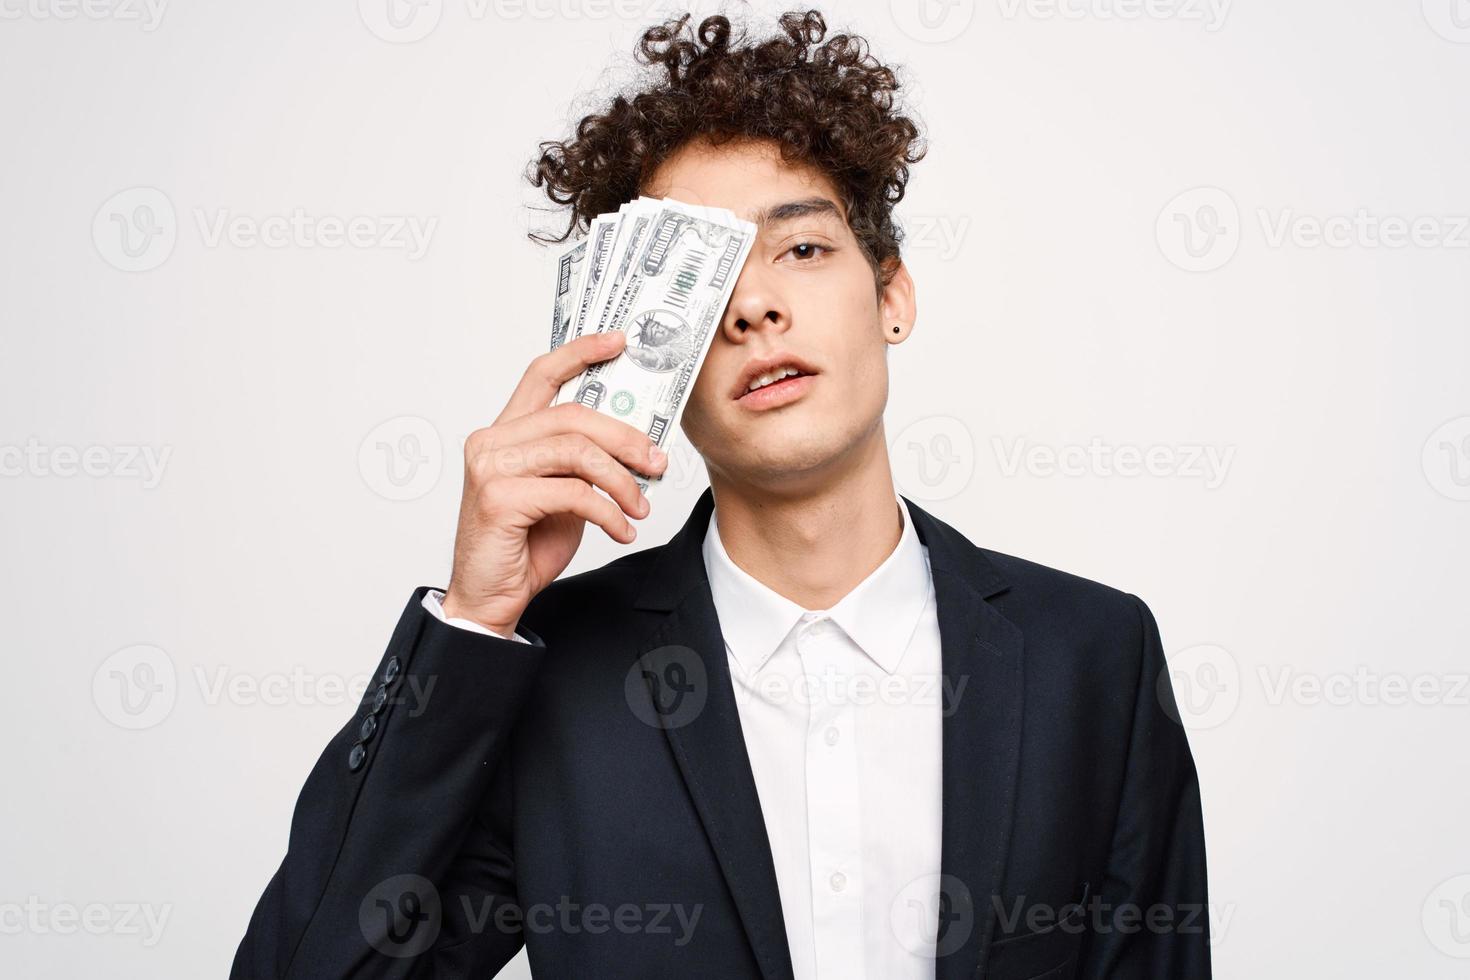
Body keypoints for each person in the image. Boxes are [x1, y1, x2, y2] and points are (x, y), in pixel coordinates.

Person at [231, 10, 1210, 979]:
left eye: (803, 249)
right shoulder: (555, 679)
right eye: (702, 287)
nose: (755, 305)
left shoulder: (1094, 656)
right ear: (643, 356)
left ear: (893, 295)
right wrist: (476, 621)